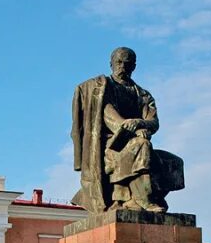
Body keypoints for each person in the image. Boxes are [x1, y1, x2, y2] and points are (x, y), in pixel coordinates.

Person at [70, 47, 183, 214]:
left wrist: (139, 123)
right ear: (111, 64)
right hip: (111, 146)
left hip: (136, 141)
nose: (122, 66)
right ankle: (143, 198)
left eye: (127, 63)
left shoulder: (143, 95)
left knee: (174, 162)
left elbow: (154, 122)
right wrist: (132, 129)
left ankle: (145, 198)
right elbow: (109, 116)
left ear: (134, 66)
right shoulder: (104, 88)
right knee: (141, 145)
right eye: (119, 62)